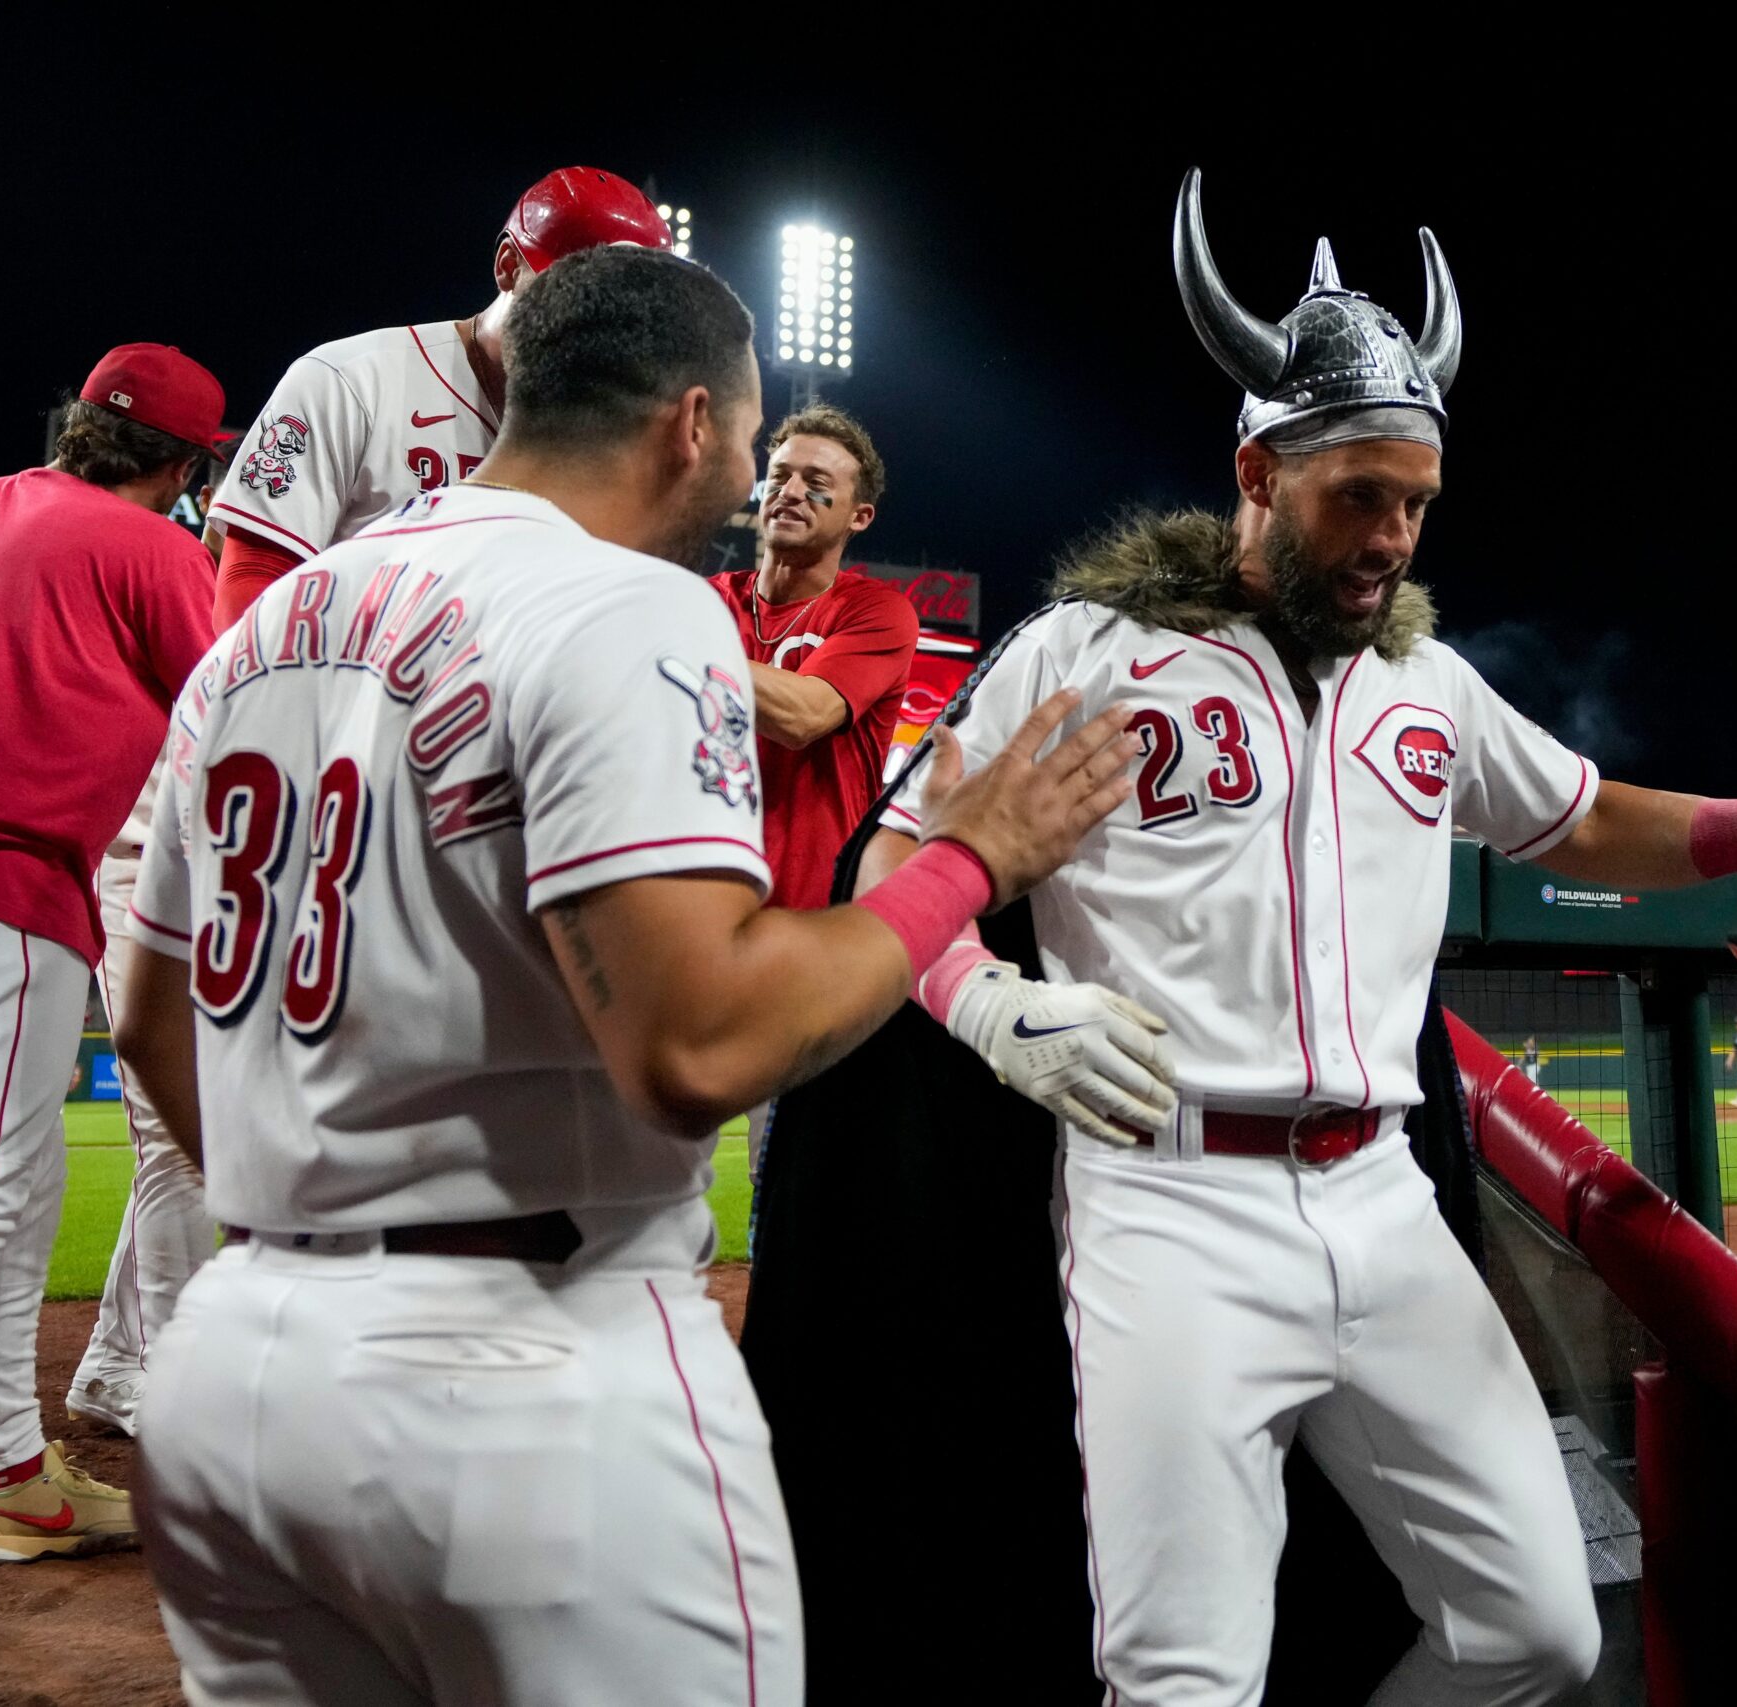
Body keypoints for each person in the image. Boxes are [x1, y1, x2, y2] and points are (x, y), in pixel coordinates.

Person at [847, 170, 1737, 1706]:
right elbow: (896, 844)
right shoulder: (1092, 648)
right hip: (1169, 1200)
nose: (1394, 537)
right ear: (1256, 472)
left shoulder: (1428, 681)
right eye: (1361, 496)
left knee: (1538, 1629)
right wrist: (988, 997)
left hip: (1388, 1203)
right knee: (1182, 1680)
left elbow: (1587, 815)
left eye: (1416, 502)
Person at [108, 245, 1137, 1707]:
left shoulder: (274, 619)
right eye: (754, 436)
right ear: (693, 423)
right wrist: (969, 861)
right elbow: (697, 1045)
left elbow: (148, 1016)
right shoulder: (637, 607)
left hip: (237, 1366)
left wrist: (317, 1226)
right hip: (529, 1376)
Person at [0, 343, 230, 1655]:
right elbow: (233, 726)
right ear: (184, 464)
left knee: (16, 1188)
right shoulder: (154, 551)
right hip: (5, 882)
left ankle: (9, 1481)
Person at [206, 165, 670, 628]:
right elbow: (252, 585)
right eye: (580, 297)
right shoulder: (350, 379)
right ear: (508, 267)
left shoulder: (610, 441)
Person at [67, 442, 242, 1437]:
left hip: (196, 886)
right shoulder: (153, 572)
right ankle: (173, 1382)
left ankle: (117, 1363)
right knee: (175, 1141)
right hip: (138, 874)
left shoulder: (255, 603)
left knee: (181, 1141)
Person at [705, 406, 919, 910]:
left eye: (816, 481)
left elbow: (802, 717)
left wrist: (676, 639)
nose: (792, 491)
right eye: (780, 476)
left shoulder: (877, 612)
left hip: (813, 914)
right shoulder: (707, 600)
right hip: (700, 899)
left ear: (858, 516)